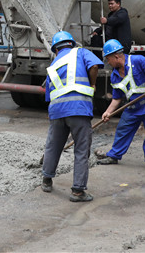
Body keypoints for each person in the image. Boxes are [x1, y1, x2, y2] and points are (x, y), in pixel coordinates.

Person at [41, 31, 103, 202]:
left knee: (53, 146)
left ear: (55, 50)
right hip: (79, 109)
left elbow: (48, 95)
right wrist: (92, 84)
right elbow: (95, 66)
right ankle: (77, 191)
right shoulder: (80, 52)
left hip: (57, 112)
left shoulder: (52, 65)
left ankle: (46, 180)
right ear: (71, 44)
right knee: (81, 150)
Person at [97, 39, 145, 172]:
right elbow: (116, 98)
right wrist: (108, 112)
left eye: (108, 59)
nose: (108, 63)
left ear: (116, 56)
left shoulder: (137, 60)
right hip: (132, 108)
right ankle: (114, 156)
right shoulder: (115, 75)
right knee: (122, 130)